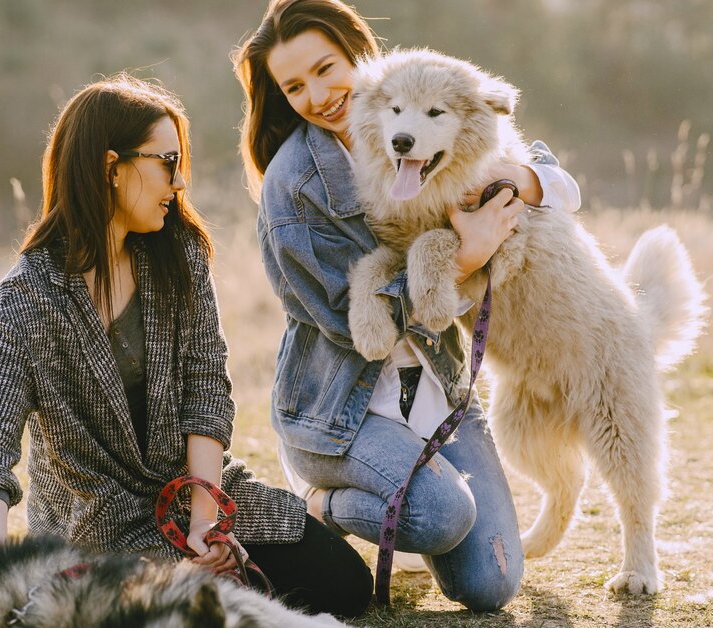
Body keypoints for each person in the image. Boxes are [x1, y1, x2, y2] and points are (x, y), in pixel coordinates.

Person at [0, 74, 372, 618]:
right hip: (95, 527)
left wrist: (207, 522)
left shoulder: (179, 255)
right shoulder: (25, 298)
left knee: (345, 587)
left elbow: (206, 392)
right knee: (168, 610)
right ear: (111, 167)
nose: (179, 184)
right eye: (166, 163)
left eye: (181, 164)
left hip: (195, 493)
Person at [233, 0, 582, 612]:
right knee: (443, 514)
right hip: (340, 406)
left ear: (360, 55)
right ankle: (321, 502)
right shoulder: (294, 186)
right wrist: (465, 257)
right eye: (294, 86)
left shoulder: (418, 105)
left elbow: (546, 178)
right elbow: (350, 325)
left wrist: (527, 182)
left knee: (490, 585)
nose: (318, 95)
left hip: (437, 384)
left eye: (326, 68)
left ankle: (412, 501)